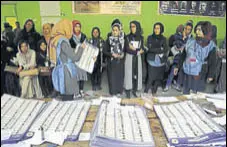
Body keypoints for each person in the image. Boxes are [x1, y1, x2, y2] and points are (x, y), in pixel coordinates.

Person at [174, 21, 216, 94]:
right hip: (187, 71)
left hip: (199, 73)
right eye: (196, 29)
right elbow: (183, 55)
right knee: (186, 91)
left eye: (199, 30)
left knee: (196, 94)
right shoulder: (190, 41)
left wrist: (211, 75)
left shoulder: (211, 46)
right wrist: (177, 66)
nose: (197, 31)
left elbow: (212, 62)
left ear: (205, 31)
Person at [49, 19, 85, 100]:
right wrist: (81, 49)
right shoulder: (63, 41)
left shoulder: (54, 39)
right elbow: (75, 58)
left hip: (60, 68)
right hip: (66, 72)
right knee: (68, 95)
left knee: (64, 93)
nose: (71, 31)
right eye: (70, 28)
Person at [144, 22, 169, 95]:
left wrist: (155, 49)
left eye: (158, 28)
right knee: (150, 77)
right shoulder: (150, 37)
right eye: (155, 28)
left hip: (161, 61)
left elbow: (165, 49)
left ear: (161, 29)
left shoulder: (164, 39)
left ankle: (154, 90)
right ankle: (146, 91)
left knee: (158, 77)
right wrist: (159, 49)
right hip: (151, 60)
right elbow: (149, 49)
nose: (156, 30)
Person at [103, 19, 126, 96]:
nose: (115, 32)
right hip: (111, 62)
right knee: (112, 78)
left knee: (119, 77)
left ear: (119, 31)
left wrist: (123, 55)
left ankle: (119, 91)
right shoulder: (108, 40)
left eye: (116, 30)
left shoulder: (123, 40)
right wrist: (112, 54)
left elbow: (125, 50)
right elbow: (104, 51)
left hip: (120, 62)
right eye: (113, 30)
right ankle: (113, 92)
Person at [164, 24, 187, 92]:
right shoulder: (177, 37)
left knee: (178, 72)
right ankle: (169, 85)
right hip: (177, 58)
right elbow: (176, 45)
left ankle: (174, 85)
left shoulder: (186, 39)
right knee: (173, 72)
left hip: (180, 58)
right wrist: (182, 41)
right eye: (184, 30)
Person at [124, 20, 144, 98]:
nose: (132, 28)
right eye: (131, 27)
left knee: (136, 74)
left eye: (134, 26)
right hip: (130, 58)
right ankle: (128, 90)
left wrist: (134, 49)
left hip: (137, 58)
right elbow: (127, 48)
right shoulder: (127, 37)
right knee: (129, 74)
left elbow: (142, 48)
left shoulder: (141, 37)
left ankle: (135, 90)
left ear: (137, 27)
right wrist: (136, 51)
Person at [69, 20, 87, 98]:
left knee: (82, 74)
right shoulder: (70, 37)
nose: (77, 28)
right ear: (73, 27)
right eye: (76, 26)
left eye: (79, 26)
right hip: (74, 58)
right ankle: (75, 91)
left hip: (82, 57)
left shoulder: (83, 36)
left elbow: (86, 47)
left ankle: (81, 90)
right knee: (75, 75)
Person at [89, 27, 105, 91]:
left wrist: (103, 61)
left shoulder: (101, 40)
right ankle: (93, 85)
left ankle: (99, 84)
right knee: (92, 73)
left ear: (99, 33)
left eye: (97, 32)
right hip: (92, 59)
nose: (95, 33)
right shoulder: (90, 40)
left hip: (99, 59)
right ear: (92, 33)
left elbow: (104, 50)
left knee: (99, 73)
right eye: (94, 32)